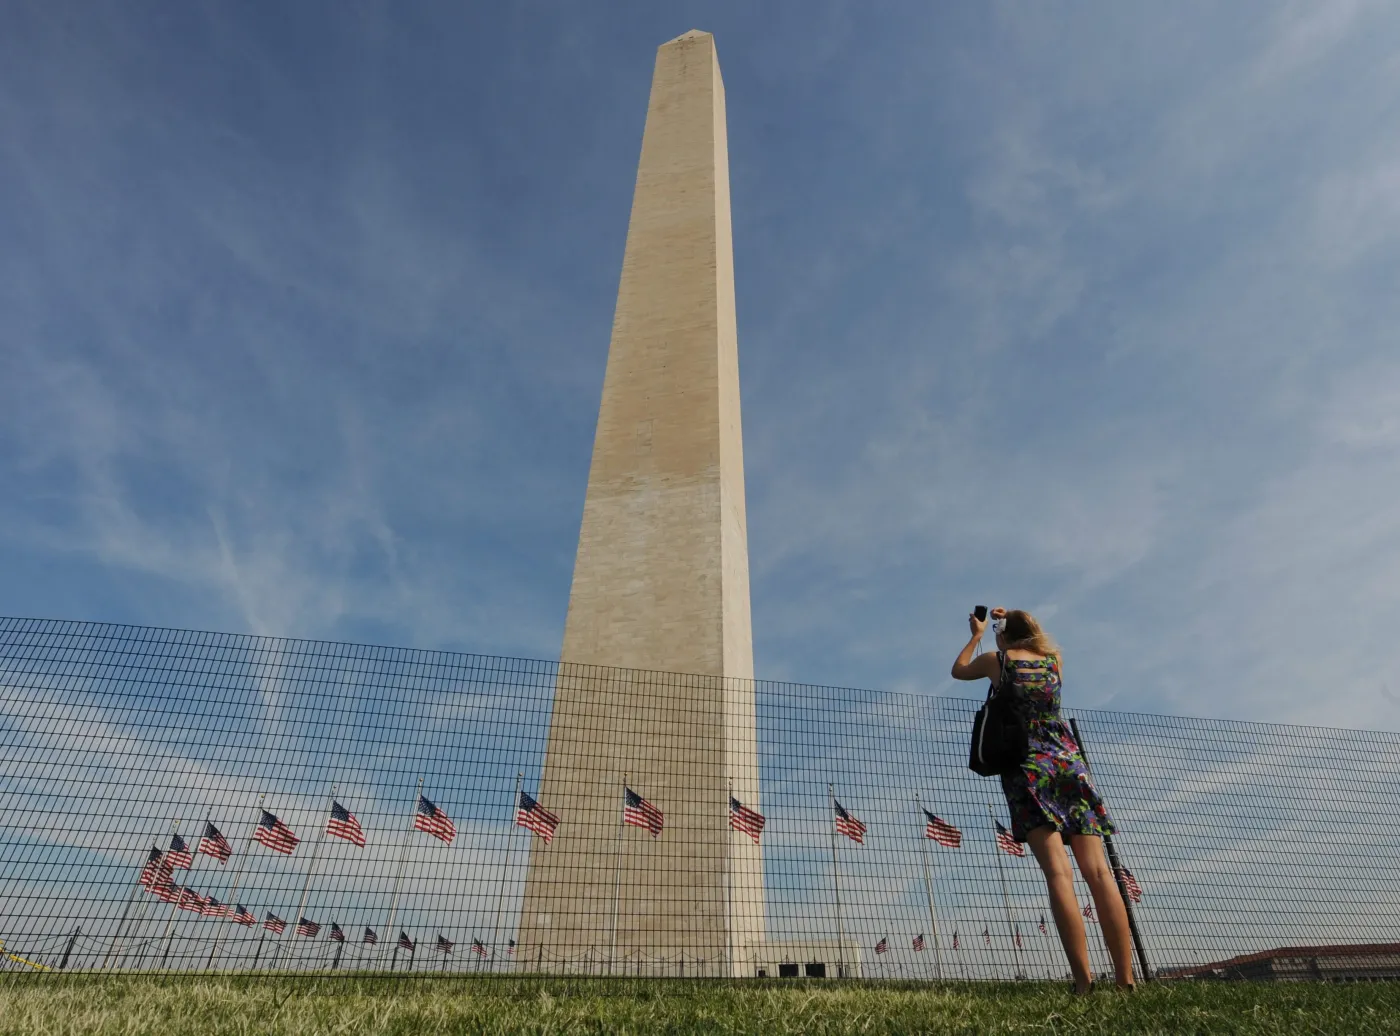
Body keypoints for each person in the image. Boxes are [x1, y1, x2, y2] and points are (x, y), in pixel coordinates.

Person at [951, 606, 1135, 993]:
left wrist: (977, 633)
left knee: (1058, 873)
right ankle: (1125, 980)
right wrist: (1012, 619)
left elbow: (958, 669)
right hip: (1069, 763)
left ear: (1003, 635)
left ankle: (1083, 982)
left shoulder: (995, 660)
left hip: (1027, 768)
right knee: (1100, 874)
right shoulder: (1054, 662)